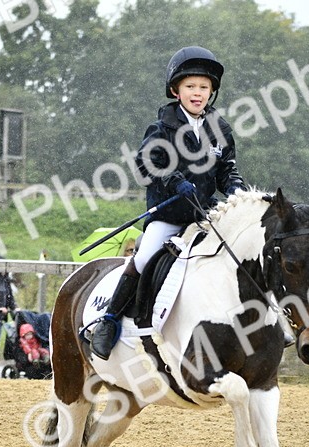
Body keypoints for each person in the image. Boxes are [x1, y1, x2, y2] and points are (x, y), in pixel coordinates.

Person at [89, 45, 245, 359]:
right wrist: (175, 180)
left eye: (204, 87)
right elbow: (147, 162)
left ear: (212, 91)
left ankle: (260, 320)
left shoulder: (220, 129)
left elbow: (227, 168)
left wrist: (236, 189)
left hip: (205, 215)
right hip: (170, 213)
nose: (198, 93)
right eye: (191, 87)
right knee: (145, 257)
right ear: (176, 90)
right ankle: (109, 320)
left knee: (239, 252)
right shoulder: (162, 128)